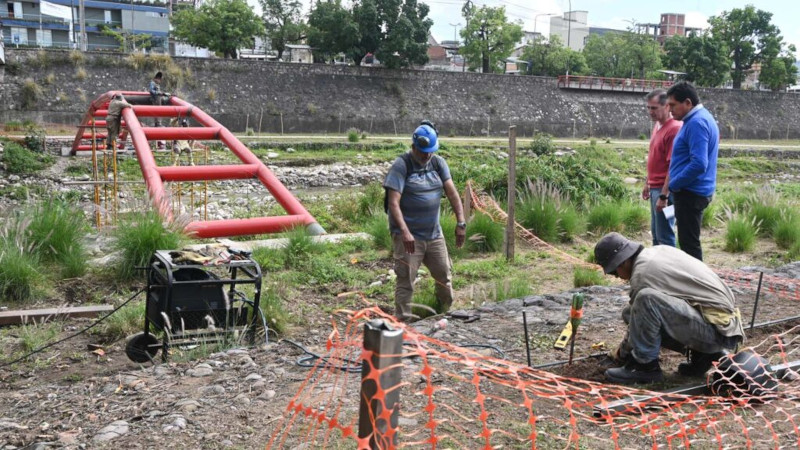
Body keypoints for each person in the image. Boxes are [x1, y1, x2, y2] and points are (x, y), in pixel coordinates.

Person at [595, 232, 744, 384]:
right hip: (721, 324)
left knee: (645, 300)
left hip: (717, 331)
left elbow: (640, 319)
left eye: (614, 272)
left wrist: (622, 353)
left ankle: (644, 368)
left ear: (622, 262)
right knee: (630, 312)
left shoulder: (641, 275)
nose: (617, 277)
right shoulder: (657, 251)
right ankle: (703, 355)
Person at [383, 121, 466, 322]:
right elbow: (393, 203)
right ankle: (404, 324)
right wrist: (405, 232)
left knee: (444, 276)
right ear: (414, 147)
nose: (426, 156)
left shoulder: (438, 163)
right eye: (423, 152)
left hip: (434, 234)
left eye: (430, 151)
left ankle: (443, 313)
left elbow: (452, 193)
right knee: (406, 282)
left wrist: (461, 222)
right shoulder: (401, 166)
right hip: (409, 238)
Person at [666, 81, 720, 261]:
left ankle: (696, 285)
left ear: (687, 103)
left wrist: (674, 184)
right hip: (692, 191)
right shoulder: (698, 119)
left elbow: (699, 163)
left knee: (689, 246)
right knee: (689, 242)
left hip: (691, 193)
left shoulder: (697, 122)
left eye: (673, 105)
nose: (670, 110)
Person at [642, 89, 681, 247]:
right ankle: (657, 269)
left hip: (664, 191)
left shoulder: (674, 129)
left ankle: (668, 269)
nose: (650, 112)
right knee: (656, 234)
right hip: (655, 187)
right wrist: (647, 182)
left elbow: (673, 166)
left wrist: (664, 196)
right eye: (648, 108)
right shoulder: (658, 125)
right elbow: (655, 157)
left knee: (664, 235)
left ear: (666, 107)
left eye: (654, 108)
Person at [149, 71, 167, 149]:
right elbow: (151, 91)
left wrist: (163, 94)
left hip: (158, 100)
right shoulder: (152, 83)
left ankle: (158, 124)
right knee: (157, 114)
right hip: (155, 100)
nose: (159, 81)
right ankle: (158, 124)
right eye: (159, 79)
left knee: (159, 113)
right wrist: (159, 93)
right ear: (157, 78)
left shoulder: (157, 84)